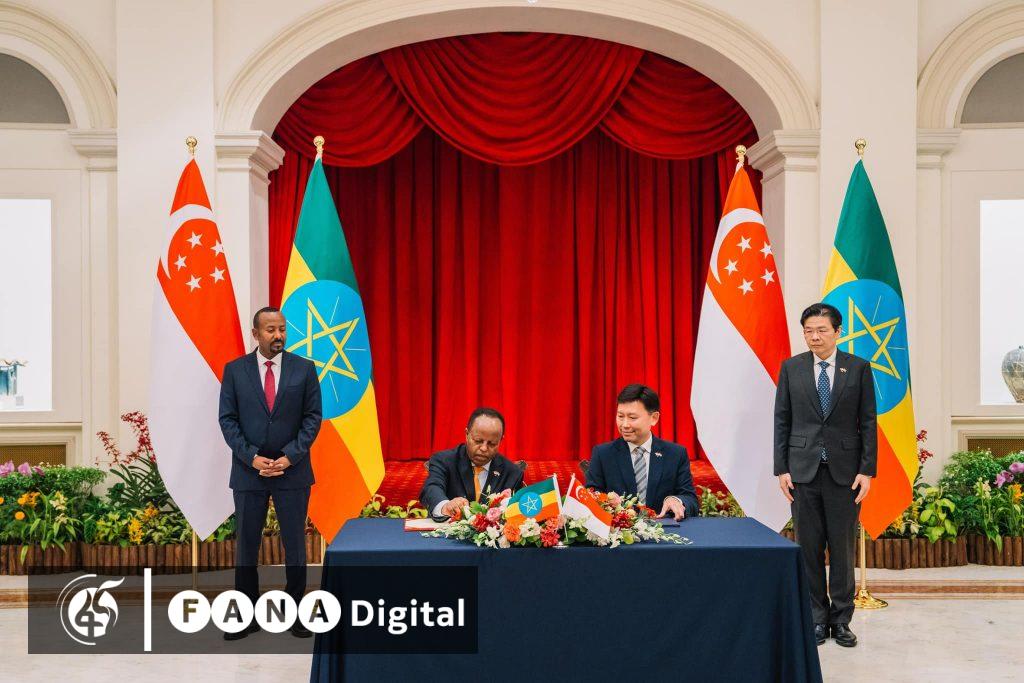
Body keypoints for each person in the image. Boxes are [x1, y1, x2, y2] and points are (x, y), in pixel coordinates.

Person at [774, 302, 876, 648]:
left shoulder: (858, 368)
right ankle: (817, 618)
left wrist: (867, 470)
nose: (814, 337)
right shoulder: (792, 368)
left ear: (838, 332)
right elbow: (782, 420)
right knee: (809, 548)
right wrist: (781, 468)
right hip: (802, 472)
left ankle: (842, 619)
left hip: (845, 474)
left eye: (821, 330)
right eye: (808, 331)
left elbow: (868, 422)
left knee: (843, 549)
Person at [218, 306, 322, 640]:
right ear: (255, 334)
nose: (278, 335)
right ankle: (246, 615)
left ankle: (295, 613)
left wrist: (290, 456)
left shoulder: (304, 369)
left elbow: (312, 418)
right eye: (270, 330)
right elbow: (227, 420)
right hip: (249, 473)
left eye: (282, 329)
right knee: (247, 546)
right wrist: (251, 457)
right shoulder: (235, 371)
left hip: (293, 472)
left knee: (295, 545)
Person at [584, 384, 698, 521]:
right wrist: (605, 500)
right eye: (620, 416)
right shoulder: (603, 454)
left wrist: (676, 500)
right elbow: (591, 495)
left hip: (665, 529)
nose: (625, 424)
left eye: (632, 418)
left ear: (654, 418)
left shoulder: (675, 454)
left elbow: (690, 499)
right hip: (620, 531)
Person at [420, 408, 525, 520]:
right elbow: (431, 488)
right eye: (478, 441)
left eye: (492, 443)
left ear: (500, 440)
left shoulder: (513, 473)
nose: (484, 448)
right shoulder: (444, 460)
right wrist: (445, 506)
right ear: (467, 434)